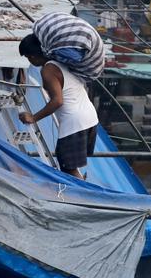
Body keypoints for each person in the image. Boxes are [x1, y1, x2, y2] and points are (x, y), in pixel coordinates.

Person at [18, 33, 99, 179]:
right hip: (90, 118)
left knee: (68, 169)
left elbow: (57, 101)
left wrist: (33, 117)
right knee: (70, 168)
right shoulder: (61, 62)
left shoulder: (48, 70)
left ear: (34, 56)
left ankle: (83, 195)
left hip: (74, 123)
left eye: (28, 57)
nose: (30, 61)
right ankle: (83, 189)